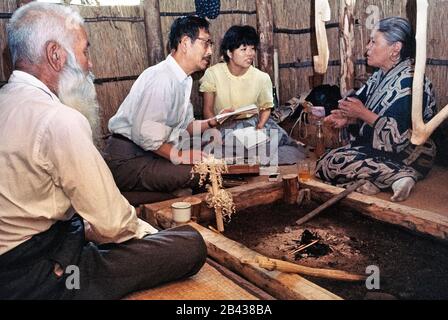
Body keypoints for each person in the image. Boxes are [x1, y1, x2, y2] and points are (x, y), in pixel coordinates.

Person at [0, 3, 206, 300]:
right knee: (189, 244)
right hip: (33, 277)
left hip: (40, 246)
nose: (91, 64)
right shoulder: (59, 120)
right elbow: (113, 225)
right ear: (56, 55)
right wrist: (151, 236)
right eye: (85, 51)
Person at [315, 17, 437, 202]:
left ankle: (399, 176)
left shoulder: (411, 83)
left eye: (374, 42)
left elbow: (398, 138)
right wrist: (348, 118)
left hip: (412, 156)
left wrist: (361, 113)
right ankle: (377, 181)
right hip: (383, 152)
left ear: (395, 48)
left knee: (331, 163)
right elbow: (362, 109)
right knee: (326, 161)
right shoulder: (379, 76)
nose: (367, 48)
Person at [106, 16, 221, 194]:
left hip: (149, 153)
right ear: (184, 43)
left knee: (207, 162)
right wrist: (181, 156)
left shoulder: (183, 80)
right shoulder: (162, 78)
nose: (210, 51)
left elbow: (186, 126)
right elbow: (146, 135)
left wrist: (215, 120)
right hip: (128, 159)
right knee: (200, 173)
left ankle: (172, 195)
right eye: (206, 43)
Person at [199, 25, 305, 165]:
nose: (250, 54)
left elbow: (265, 108)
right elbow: (208, 109)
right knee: (217, 149)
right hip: (225, 126)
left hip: (254, 124)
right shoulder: (213, 74)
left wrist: (260, 126)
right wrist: (214, 131)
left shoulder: (262, 77)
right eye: (243, 49)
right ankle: (255, 156)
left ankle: (257, 154)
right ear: (230, 53)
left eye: (252, 48)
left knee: (288, 147)